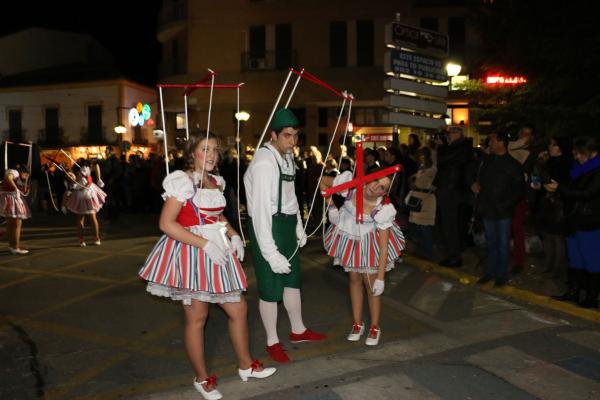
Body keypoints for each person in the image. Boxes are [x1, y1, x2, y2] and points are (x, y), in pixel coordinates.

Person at [139, 131, 276, 400]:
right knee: (197, 318)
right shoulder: (182, 182)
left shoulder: (215, 181)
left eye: (215, 149)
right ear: (192, 153)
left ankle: (246, 365)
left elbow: (218, 215)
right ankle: (202, 378)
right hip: (192, 252)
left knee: (238, 308)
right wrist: (205, 244)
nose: (212, 154)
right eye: (205, 149)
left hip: (218, 251)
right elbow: (166, 224)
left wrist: (234, 234)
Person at [244, 108, 326, 364]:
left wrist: (298, 227)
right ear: (273, 135)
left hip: (287, 224)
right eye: (287, 136)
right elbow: (259, 213)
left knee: (292, 280)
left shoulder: (287, 157)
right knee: (270, 288)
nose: (293, 141)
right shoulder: (264, 163)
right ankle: (272, 341)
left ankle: (298, 330)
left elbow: (290, 198)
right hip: (266, 227)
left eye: (296, 136)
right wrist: (270, 252)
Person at [320, 167, 405, 346]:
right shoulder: (351, 187)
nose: (376, 188)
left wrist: (381, 278)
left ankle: (375, 326)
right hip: (350, 238)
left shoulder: (383, 210)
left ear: (386, 193)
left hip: (371, 243)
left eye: (382, 187)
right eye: (376, 180)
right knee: (354, 279)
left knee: (371, 283)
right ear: (369, 177)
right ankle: (358, 324)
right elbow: (324, 182)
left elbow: (383, 248)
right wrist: (331, 205)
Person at [546, 136, 600, 309]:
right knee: (575, 258)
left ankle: (592, 296)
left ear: (590, 153)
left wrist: (560, 189)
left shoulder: (597, 171)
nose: (576, 157)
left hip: (590, 221)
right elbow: (572, 188)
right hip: (574, 220)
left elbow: (587, 193)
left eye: (579, 154)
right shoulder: (580, 169)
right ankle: (574, 291)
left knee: (591, 259)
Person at [471, 132, 524, 287]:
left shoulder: (513, 164)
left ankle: (501, 274)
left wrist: (506, 204)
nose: (490, 144)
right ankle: (491, 272)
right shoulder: (487, 161)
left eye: (492, 141)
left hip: (503, 211)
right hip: (488, 208)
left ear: (501, 143)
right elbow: (476, 176)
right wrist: (474, 185)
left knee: (502, 243)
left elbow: (519, 190)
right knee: (491, 242)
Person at [434, 126, 472, 267]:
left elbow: (444, 159)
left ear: (458, 134)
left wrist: (442, 146)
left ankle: (455, 257)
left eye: (450, 134)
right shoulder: (455, 147)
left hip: (452, 191)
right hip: (448, 189)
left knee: (451, 225)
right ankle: (452, 254)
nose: (448, 136)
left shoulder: (462, 147)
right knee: (448, 225)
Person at [63, 161, 106, 246]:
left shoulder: (86, 169)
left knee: (92, 217)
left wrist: (98, 179)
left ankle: (97, 237)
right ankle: (81, 239)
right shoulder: (71, 174)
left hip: (89, 193)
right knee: (80, 218)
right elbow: (70, 187)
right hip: (79, 195)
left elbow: (96, 165)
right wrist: (71, 179)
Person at [406, 147, 437, 259]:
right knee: (418, 226)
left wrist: (414, 181)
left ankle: (428, 252)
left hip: (426, 199)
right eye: (420, 156)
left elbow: (423, 184)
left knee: (425, 226)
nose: (421, 158)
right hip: (417, 198)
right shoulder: (422, 168)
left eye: (423, 156)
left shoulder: (432, 169)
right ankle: (422, 250)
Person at [1, 165, 31, 254]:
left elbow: (25, 191)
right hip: (11, 198)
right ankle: (15, 247)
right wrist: (15, 187)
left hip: (12, 199)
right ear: (22, 172)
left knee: (12, 223)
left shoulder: (20, 179)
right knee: (16, 223)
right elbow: (8, 177)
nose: (26, 176)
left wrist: (25, 181)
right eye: (26, 174)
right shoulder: (15, 172)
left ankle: (13, 246)